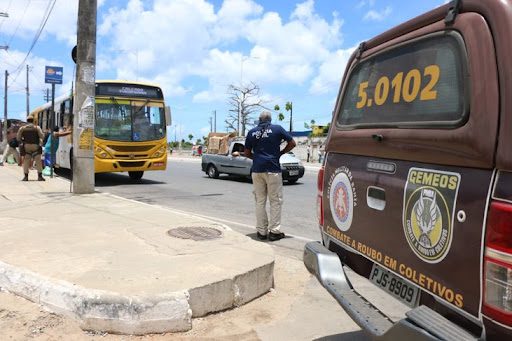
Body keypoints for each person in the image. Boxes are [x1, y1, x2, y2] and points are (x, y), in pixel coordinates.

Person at [244, 111, 296, 242]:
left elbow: (246, 152)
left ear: (259, 120)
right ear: (270, 119)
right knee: (275, 201)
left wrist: (256, 158)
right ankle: (274, 231)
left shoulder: (251, 132)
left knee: (260, 201)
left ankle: (261, 232)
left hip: (256, 170)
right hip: (273, 169)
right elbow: (292, 143)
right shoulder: (277, 129)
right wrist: (281, 153)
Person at [17, 115, 45, 181]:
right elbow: (42, 137)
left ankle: (26, 177)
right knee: (38, 161)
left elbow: (18, 138)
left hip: (26, 146)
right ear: (33, 121)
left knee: (26, 161)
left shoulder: (22, 128)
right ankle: (40, 176)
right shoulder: (37, 127)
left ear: (27, 121)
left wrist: (23, 140)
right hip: (36, 146)